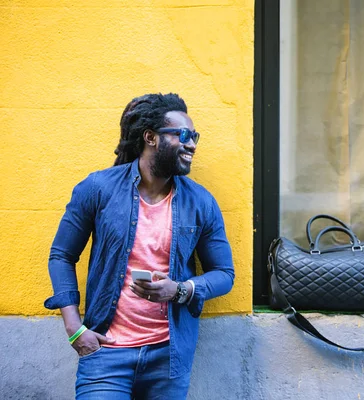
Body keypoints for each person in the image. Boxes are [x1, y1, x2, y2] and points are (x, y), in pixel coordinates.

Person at [44, 93, 235, 399]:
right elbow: (62, 255)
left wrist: (180, 289)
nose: (192, 145)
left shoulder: (201, 202)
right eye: (183, 135)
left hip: (168, 357)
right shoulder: (98, 188)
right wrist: (74, 327)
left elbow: (224, 274)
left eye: (195, 136)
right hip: (105, 354)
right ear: (151, 138)